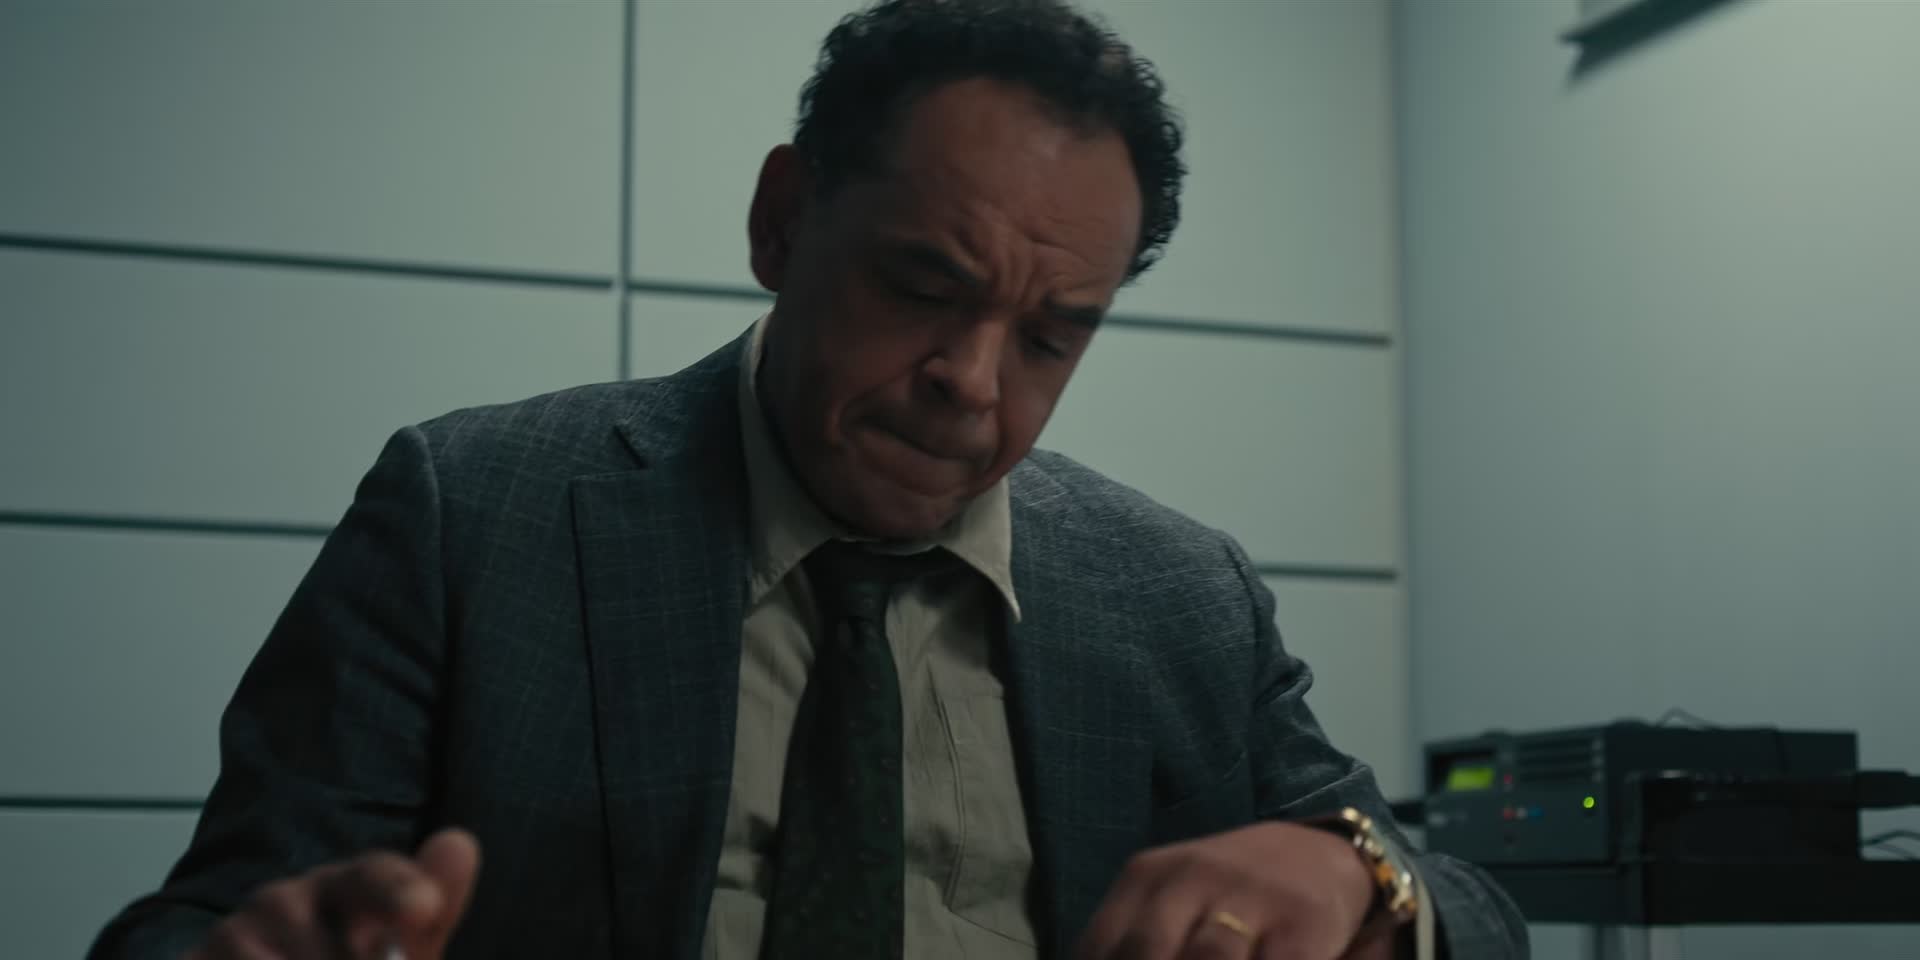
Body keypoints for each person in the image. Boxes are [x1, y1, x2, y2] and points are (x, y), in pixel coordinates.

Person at [91, 1, 1526, 958]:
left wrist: (1358, 880)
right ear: (782, 222)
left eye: (1050, 335)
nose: (974, 381)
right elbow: (205, 923)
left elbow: (1465, 904)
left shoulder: (1178, 596)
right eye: (924, 287)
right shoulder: (472, 514)